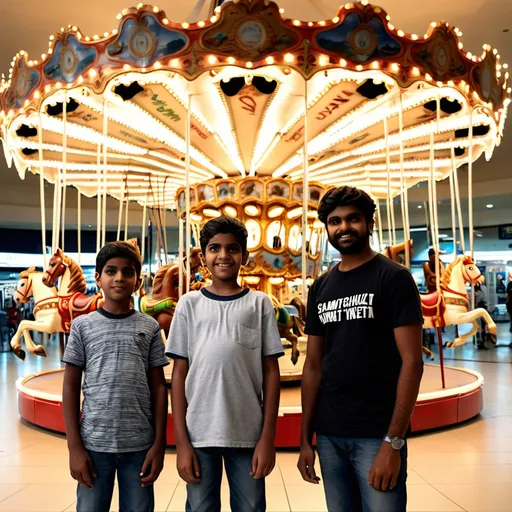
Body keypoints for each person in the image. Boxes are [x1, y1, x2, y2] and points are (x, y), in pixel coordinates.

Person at [297, 186, 424, 512]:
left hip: (376, 432)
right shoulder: (321, 286)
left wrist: (393, 442)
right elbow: (312, 365)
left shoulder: (393, 278)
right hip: (329, 432)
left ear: (369, 222)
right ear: (326, 227)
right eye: (335, 221)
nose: (344, 228)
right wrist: (304, 440)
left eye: (353, 219)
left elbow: (412, 361)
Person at [166, 216, 284, 512]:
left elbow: (271, 373)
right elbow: (178, 375)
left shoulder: (259, 304)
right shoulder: (189, 305)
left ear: (244, 256)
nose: (223, 255)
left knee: (251, 506)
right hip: (198, 432)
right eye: (214, 248)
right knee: (201, 506)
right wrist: (181, 442)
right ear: (203, 257)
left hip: (248, 432)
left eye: (232, 249)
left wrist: (267, 438)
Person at [62, 241, 169, 512]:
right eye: (111, 271)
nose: (119, 278)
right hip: (94, 445)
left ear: (138, 279)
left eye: (127, 272)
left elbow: (158, 388)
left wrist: (159, 444)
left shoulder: (150, 326)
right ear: (97, 277)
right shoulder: (82, 326)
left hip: (140, 446)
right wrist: (74, 447)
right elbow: (71, 387)